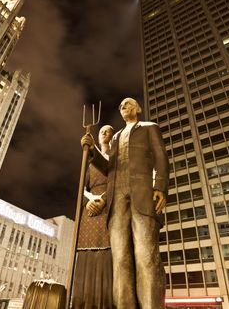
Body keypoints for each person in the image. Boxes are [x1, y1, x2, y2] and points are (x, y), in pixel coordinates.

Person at [81, 98, 169, 309]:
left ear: (137, 108)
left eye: (127, 104)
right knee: (120, 261)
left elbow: (161, 158)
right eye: (120, 106)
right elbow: (109, 169)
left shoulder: (149, 128)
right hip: (117, 199)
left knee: (146, 257)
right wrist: (92, 150)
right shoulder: (116, 138)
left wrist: (160, 187)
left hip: (142, 196)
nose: (123, 108)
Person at [73, 125, 114, 309]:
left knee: (108, 256)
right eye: (102, 131)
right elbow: (81, 187)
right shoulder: (88, 163)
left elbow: (120, 182)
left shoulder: (118, 159)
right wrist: (86, 201)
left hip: (110, 209)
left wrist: (104, 199)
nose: (105, 132)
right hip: (89, 215)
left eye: (109, 131)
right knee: (85, 255)